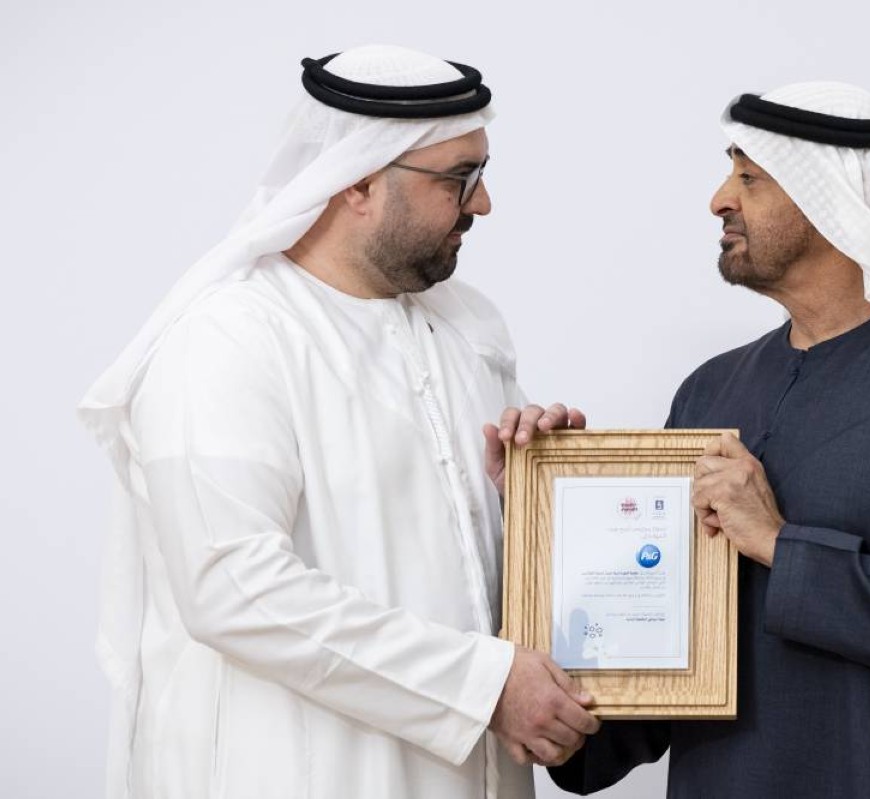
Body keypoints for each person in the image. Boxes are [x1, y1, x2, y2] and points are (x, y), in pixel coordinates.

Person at [78, 45, 598, 799]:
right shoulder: (231, 336)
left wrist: (529, 500)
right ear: (358, 181)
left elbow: (453, 568)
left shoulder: (469, 329)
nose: (483, 204)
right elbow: (231, 586)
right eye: (459, 178)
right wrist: (482, 685)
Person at [549, 83, 870, 798]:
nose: (719, 200)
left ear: (834, 203)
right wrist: (549, 522)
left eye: (750, 178)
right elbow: (673, 645)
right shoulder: (711, 390)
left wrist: (778, 543)